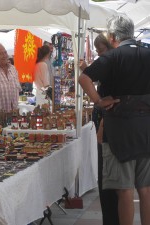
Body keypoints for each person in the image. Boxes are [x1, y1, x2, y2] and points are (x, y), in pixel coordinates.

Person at [79, 15, 150, 225]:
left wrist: (99, 100)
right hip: (147, 128)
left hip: (119, 130)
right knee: (146, 188)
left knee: (125, 189)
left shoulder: (113, 56)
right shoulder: (148, 52)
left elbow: (84, 78)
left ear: (112, 36)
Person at [79, 32, 119, 225]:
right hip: (115, 122)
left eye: (100, 50)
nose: (99, 53)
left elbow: (84, 79)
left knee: (110, 177)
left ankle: (111, 219)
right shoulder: (119, 59)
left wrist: (98, 101)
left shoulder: (110, 60)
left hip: (108, 121)